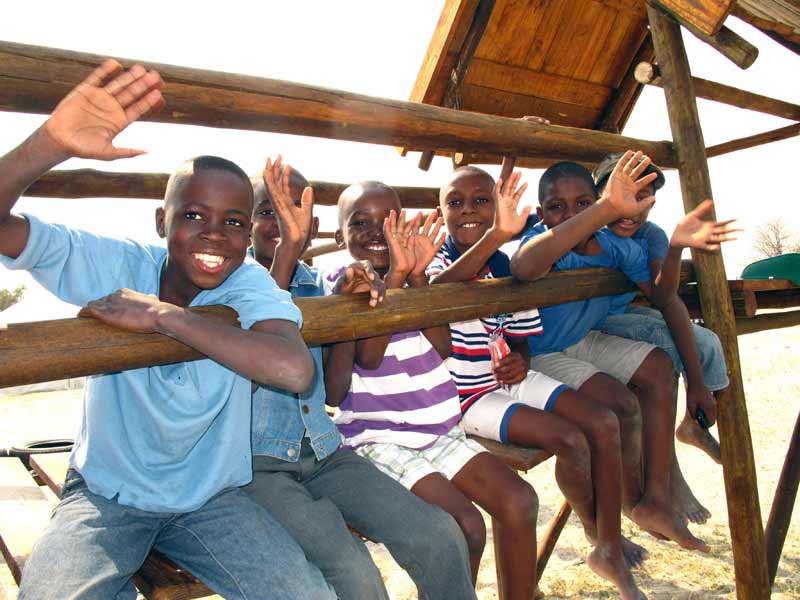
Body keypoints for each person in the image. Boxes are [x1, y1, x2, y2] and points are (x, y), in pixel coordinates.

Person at [0, 60, 334, 600]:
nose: (214, 235)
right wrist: (48, 146)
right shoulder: (117, 264)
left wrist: (165, 317)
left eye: (233, 222)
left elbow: (293, 369)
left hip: (212, 498)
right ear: (162, 221)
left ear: (248, 233)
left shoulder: (246, 284)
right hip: (108, 494)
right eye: (193, 216)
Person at [243, 156, 476, 600]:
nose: (283, 220)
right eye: (266, 210)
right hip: (258, 466)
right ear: (246, 222)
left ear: (313, 223)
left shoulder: (318, 285)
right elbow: (255, 351)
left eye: (296, 208)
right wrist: (291, 251)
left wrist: (347, 310)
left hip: (325, 452)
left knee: (441, 535)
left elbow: (334, 390)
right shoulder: (229, 285)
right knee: (357, 576)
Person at [426, 165, 648, 598]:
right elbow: (438, 289)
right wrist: (494, 235)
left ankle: (607, 544)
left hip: (509, 380)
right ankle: (588, 538)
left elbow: (520, 334)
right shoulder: (439, 258)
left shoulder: (506, 265)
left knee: (602, 422)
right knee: (569, 438)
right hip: (468, 397)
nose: (469, 210)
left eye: (481, 201)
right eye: (455, 203)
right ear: (441, 212)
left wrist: (521, 360)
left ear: (499, 207)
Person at [327, 181, 539, 600]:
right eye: (360, 223)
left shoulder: (410, 279)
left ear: (402, 226)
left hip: (438, 431)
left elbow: (442, 347)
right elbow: (368, 358)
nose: (375, 232)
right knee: (466, 526)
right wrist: (398, 277)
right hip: (380, 438)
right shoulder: (347, 281)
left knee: (519, 500)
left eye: (385, 222)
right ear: (340, 237)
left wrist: (418, 278)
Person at [510, 151, 709, 553]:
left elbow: (662, 294)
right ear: (542, 213)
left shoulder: (613, 246)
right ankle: (617, 517)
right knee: (615, 411)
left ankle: (655, 498)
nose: (571, 215)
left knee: (658, 367)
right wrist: (601, 210)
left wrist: (674, 249)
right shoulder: (546, 243)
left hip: (581, 338)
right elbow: (524, 267)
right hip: (540, 353)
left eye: (583, 204)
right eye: (556, 207)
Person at [593, 152, 738, 470]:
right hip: (593, 326)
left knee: (709, 342)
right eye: (625, 195)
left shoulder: (650, 234)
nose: (633, 208)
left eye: (643, 197)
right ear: (598, 196)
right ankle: (664, 469)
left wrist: (675, 247)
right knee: (667, 356)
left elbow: (663, 295)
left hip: (624, 311)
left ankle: (693, 425)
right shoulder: (587, 232)